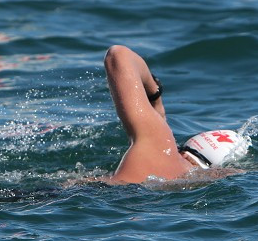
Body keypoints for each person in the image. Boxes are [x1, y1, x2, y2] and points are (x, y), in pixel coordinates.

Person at [102, 45, 249, 184]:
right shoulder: (191, 182)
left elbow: (118, 55)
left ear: (185, 151)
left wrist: (155, 96)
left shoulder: (159, 145)